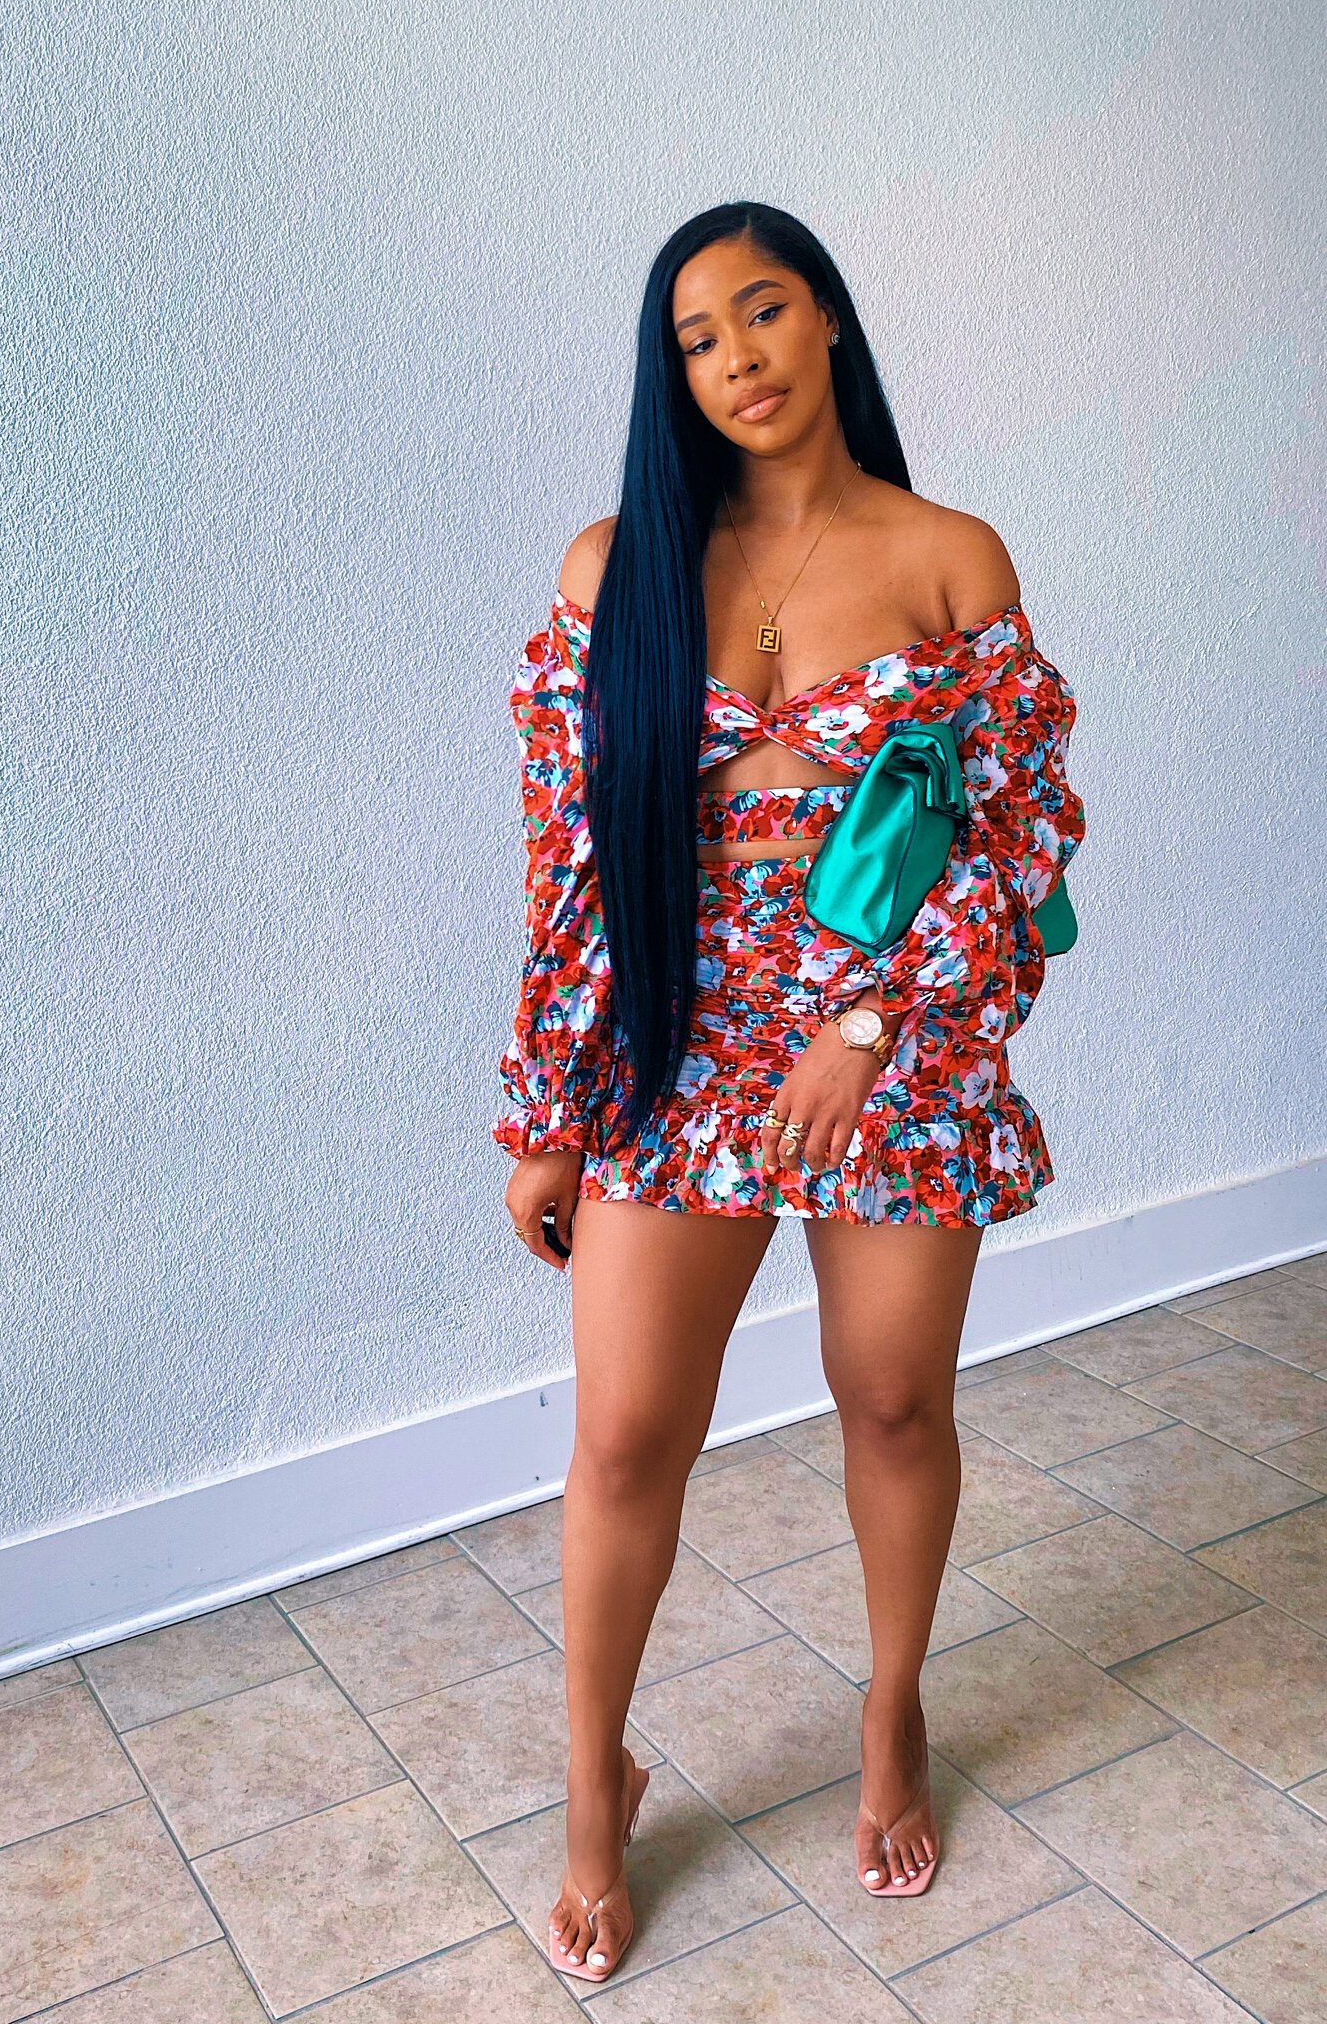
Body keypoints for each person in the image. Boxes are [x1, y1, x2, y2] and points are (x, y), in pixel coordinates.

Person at [494, 201, 1086, 1984]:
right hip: (677, 1043)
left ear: (826, 317)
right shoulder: (616, 568)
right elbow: (570, 859)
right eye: (697, 337)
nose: (736, 356)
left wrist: (864, 1027)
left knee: (892, 1401)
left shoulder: (949, 557)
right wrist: (552, 1109)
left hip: (893, 1037)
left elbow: (1020, 827)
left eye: (762, 311)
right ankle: (596, 1787)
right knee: (623, 1436)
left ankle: (892, 1712)